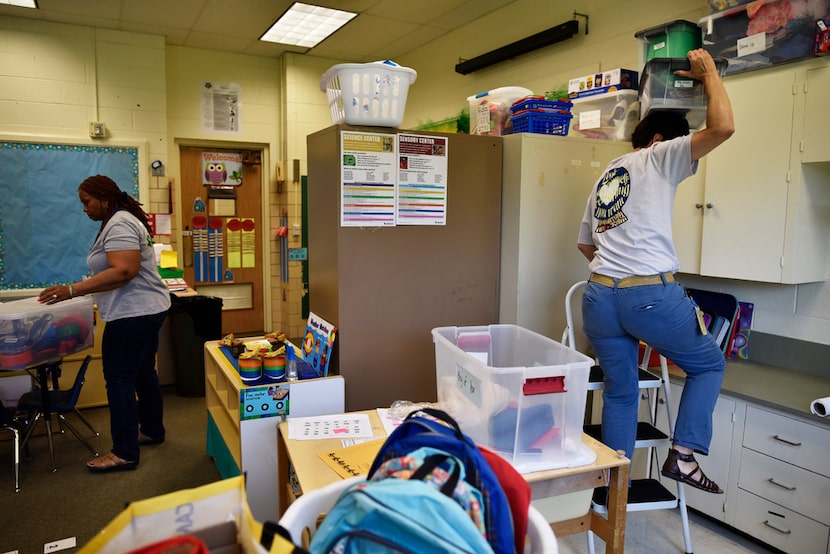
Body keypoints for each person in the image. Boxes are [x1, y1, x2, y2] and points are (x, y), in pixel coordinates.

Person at [576, 49, 734, 494]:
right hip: (648, 296)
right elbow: (723, 127)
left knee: (621, 394)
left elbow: (585, 243)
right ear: (663, 138)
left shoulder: (608, 174)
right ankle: (683, 458)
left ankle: (614, 493)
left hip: (599, 296)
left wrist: (618, 281)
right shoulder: (661, 154)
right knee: (708, 366)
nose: (690, 159)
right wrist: (708, 77)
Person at [38, 175, 171, 473]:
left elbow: (124, 270)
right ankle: (151, 430)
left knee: (119, 379)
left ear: (103, 197)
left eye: (86, 202)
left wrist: (71, 290)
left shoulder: (120, 223)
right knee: (143, 373)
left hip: (132, 314)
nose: (84, 209)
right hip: (147, 309)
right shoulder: (120, 220)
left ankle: (124, 452)